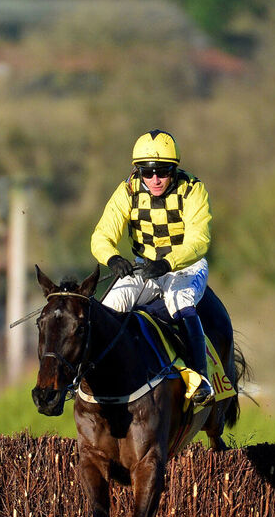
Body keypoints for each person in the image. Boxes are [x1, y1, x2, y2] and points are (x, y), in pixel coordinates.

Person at [89, 129, 214, 406]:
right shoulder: (127, 191)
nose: (155, 179)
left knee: (178, 300)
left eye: (163, 171)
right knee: (108, 308)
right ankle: (91, 376)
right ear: (138, 170)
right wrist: (112, 258)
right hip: (144, 267)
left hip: (186, 267)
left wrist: (168, 262)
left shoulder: (193, 190)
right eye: (147, 172)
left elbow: (199, 241)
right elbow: (102, 236)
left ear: (174, 169)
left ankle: (200, 380)